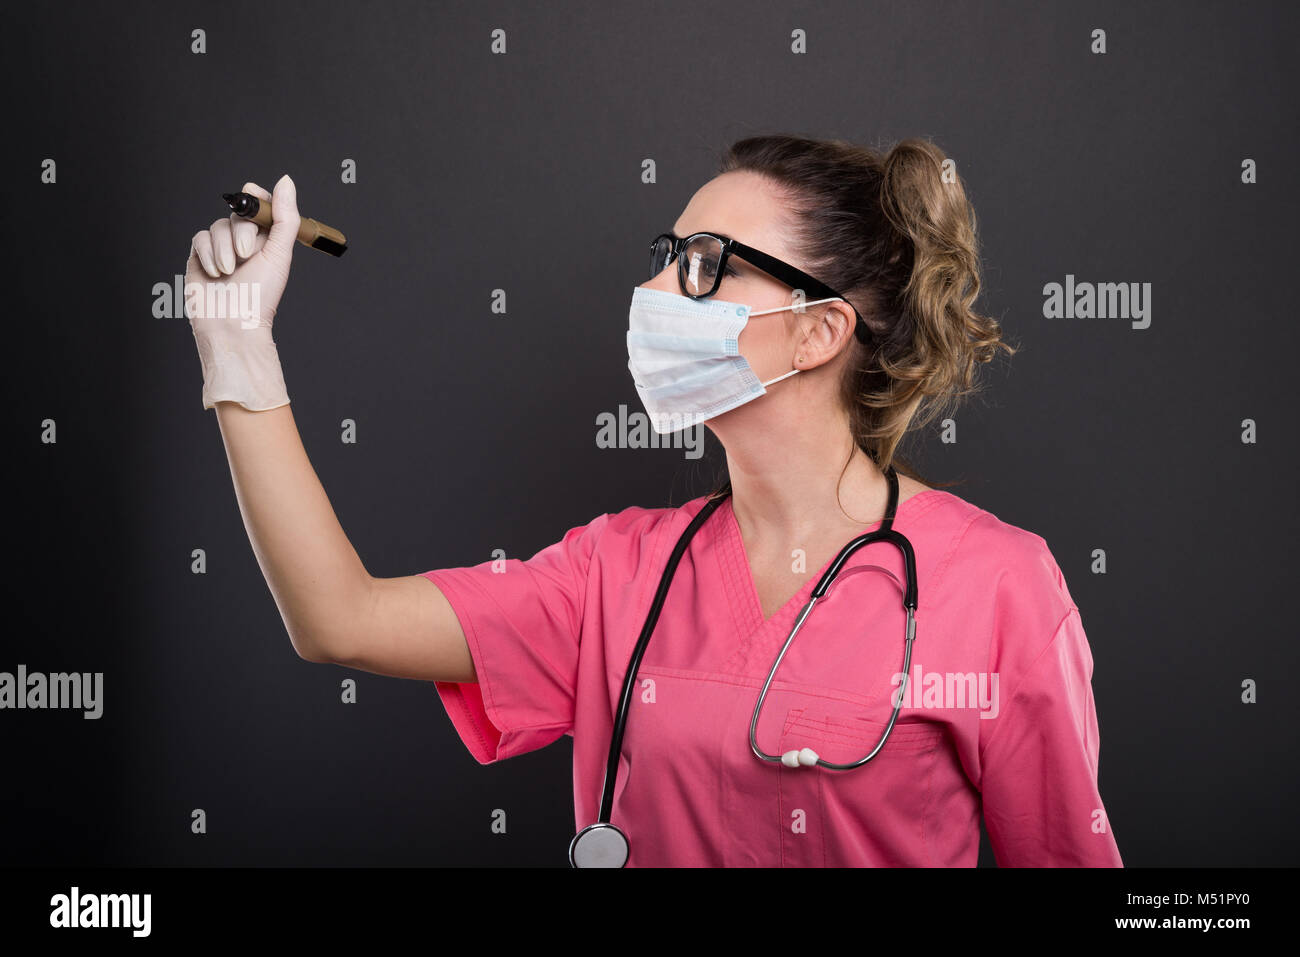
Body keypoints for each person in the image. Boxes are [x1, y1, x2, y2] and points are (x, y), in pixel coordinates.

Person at [184, 133, 1123, 867]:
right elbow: (339, 618)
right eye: (664, 254)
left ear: (817, 331)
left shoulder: (998, 587)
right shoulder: (616, 571)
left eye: (705, 264)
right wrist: (238, 348)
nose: (654, 288)